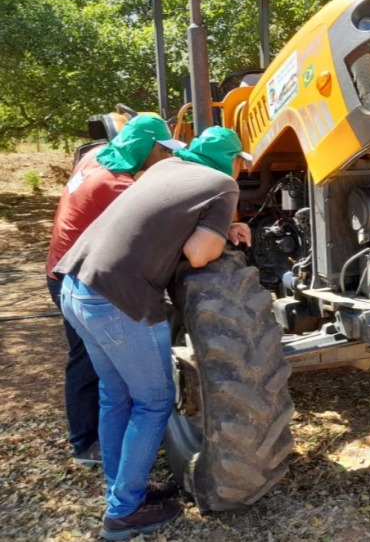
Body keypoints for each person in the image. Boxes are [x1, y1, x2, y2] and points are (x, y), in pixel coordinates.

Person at [54, 126, 252, 540]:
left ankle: (121, 490)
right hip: (117, 302)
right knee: (154, 402)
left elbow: (159, 222)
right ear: (232, 161)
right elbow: (200, 253)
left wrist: (215, 227)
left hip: (75, 285)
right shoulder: (223, 184)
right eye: (239, 162)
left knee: (116, 395)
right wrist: (223, 231)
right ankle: (124, 513)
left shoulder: (166, 167)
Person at [45, 114, 185, 465]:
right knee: (87, 362)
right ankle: (85, 442)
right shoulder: (116, 188)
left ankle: (110, 444)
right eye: (162, 150)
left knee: (101, 368)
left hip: (65, 265)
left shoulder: (98, 156)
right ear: (145, 147)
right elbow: (162, 226)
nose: (166, 157)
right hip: (76, 276)